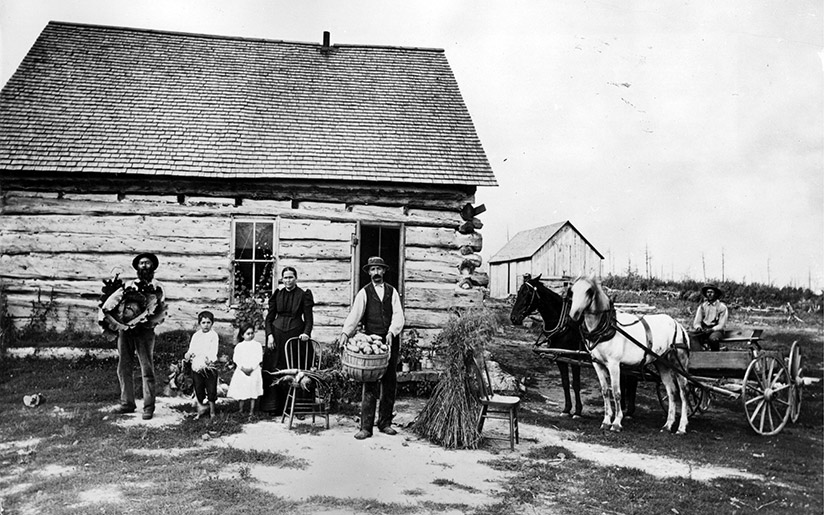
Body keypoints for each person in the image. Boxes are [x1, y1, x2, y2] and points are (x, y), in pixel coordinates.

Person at [338, 256, 405, 440]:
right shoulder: (364, 293)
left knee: (390, 381)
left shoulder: (392, 292)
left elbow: (399, 316)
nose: (376, 273)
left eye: (379, 269)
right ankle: (366, 427)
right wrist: (345, 333)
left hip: (390, 341)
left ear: (384, 271)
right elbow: (355, 315)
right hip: (371, 341)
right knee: (370, 382)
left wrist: (392, 332)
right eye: (373, 270)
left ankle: (385, 423)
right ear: (369, 272)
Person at [110, 252, 167, 420]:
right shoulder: (129, 285)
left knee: (146, 367)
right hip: (125, 330)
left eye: (147, 263)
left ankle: (148, 406)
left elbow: (159, 308)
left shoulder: (157, 287)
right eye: (141, 263)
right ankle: (127, 403)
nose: (144, 265)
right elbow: (117, 303)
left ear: (153, 267)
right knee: (124, 366)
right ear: (137, 267)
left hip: (145, 331)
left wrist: (145, 320)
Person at [262, 266, 314, 415]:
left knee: (297, 370)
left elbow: (309, 320)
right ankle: (274, 407)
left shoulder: (303, 295)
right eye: (285, 278)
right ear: (282, 279)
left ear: (296, 278)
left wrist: (306, 333)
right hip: (277, 338)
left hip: (296, 339)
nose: (288, 280)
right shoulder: (277, 294)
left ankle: (298, 407)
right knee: (275, 369)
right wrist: (269, 335)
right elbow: (269, 319)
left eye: (291, 277)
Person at [185, 310, 219, 419]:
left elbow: (214, 351)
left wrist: (210, 360)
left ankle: (212, 412)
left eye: (208, 322)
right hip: (197, 365)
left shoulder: (213, 336)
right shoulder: (196, 336)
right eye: (203, 322)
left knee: (211, 389)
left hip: (209, 366)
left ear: (212, 323)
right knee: (198, 388)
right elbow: (192, 349)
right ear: (199, 323)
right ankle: (201, 410)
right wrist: (188, 354)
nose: (206, 325)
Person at [227, 324, 264, 419]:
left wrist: (252, 368)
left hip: (253, 370)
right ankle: (241, 409)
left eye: (252, 333)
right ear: (242, 335)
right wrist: (242, 368)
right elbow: (236, 358)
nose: (250, 335)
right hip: (242, 370)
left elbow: (259, 358)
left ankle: (252, 410)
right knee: (242, 390)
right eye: (248, 333)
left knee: (253, 390)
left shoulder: (257, 345)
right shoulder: (239, 346)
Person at [689, 284, 728, 351]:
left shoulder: (722, 307)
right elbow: (697, 322)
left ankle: (715, 355)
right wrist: (699, 328)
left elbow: (721, 324)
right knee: (691, 336)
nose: (709, 294)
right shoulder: (702, 306)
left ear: (715, 294)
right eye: (708, 292)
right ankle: (699, 354)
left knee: (713, 339)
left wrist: (712, 329)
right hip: (704, 330)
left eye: (711, 292)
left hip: (717, 330)